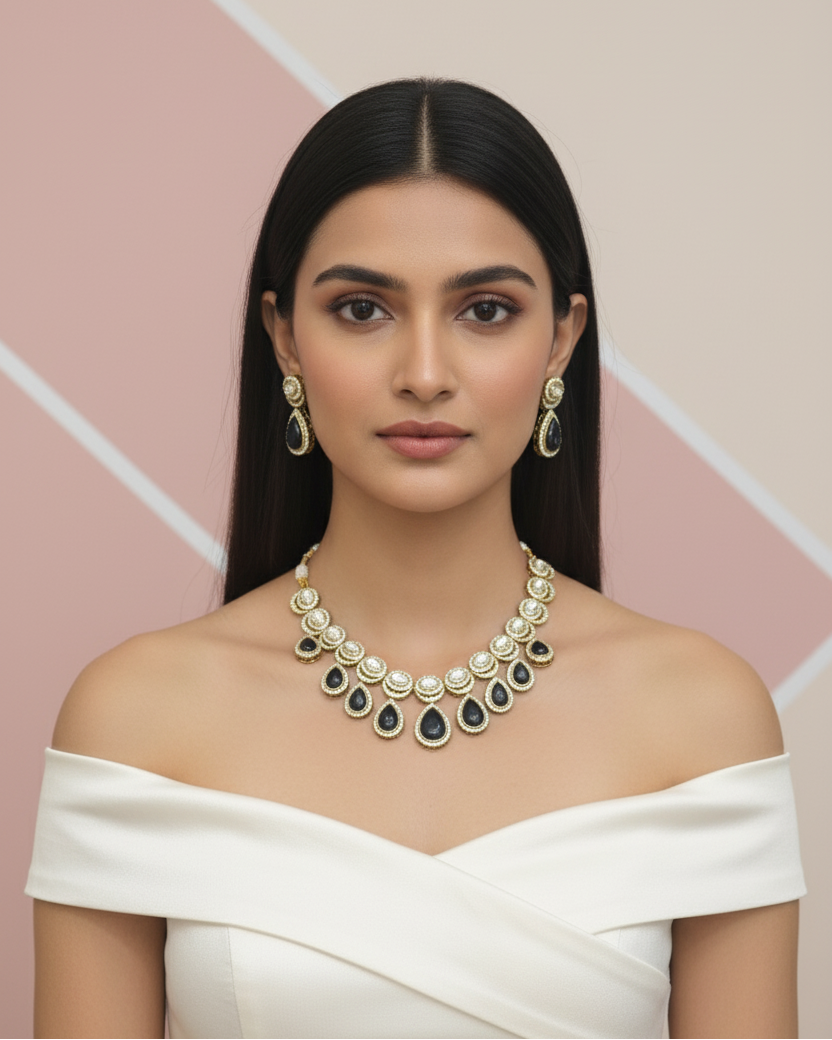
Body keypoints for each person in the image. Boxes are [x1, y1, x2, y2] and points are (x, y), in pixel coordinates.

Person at [27, 78, 803, 1039]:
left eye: (485, 311)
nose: (425, 373)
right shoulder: (135, 719)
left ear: (562, 337)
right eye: (362, 309)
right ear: (284, 338)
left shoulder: (703, 718)